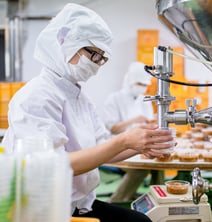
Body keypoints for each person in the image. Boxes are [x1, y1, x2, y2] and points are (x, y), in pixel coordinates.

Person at [2, 3, 173, 222]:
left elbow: (101, 147)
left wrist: (140, 144)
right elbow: (54, 164)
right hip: (43, 209)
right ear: (64, 42)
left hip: (78, 203)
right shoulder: (37, 95)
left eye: (102, 58)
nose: (97, 64)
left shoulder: (80, 98)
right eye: (93, 54)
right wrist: (125, 141)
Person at [102, 61, 164, 203]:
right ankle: (118, 201)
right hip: (119, 148)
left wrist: (153, 123)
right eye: (139, 84)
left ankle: (159, 200)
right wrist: (134, 120)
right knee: (139, 170)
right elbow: (112, 129)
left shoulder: (145, 100)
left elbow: (149, 123)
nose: (142, 88)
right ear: (130, 80)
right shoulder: (115, 99)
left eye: (144, 85)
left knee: (158, 165)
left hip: (141, 146)